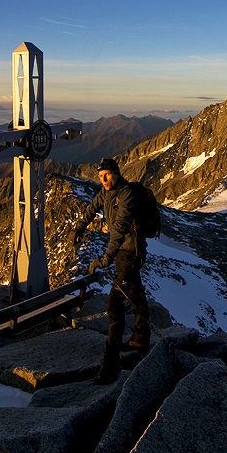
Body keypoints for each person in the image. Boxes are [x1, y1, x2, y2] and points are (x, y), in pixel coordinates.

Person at [72, 157, 150, 384]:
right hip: (125, 254)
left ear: (116, 173)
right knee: (135, 294)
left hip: (130, 253)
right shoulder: (106, 193)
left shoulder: (126, 194)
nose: (104, 179)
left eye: (107, 174)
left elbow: (119, 228)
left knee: (114, 304)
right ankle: (140, 340)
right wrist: (79, 227)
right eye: (100, 176)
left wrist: (106, 258)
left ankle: (111, 365)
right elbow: (92, 207)